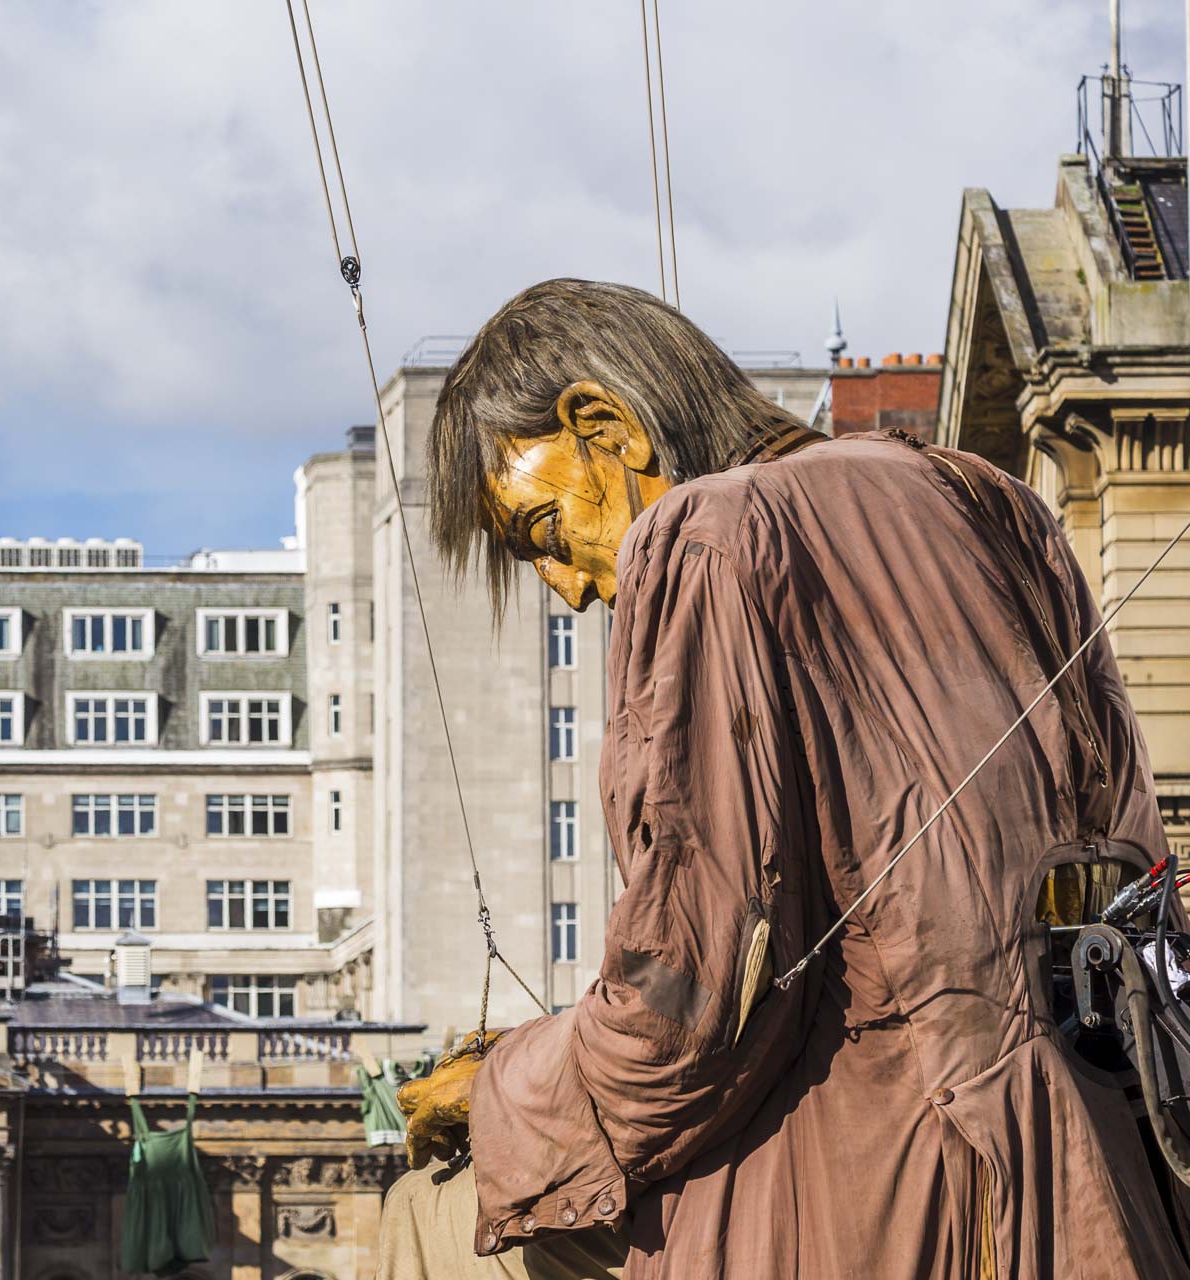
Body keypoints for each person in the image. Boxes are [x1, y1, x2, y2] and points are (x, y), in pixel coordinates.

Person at [383, 279, 1187, 1279]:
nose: (578, 586)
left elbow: (695, 990)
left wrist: (504, 1083)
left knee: (429, 1216)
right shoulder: (997, 499)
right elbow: (1133, 863)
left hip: (870, 1191)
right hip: (1088, 1181)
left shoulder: (701, 535)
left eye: (548, 531)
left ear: (608, 426)